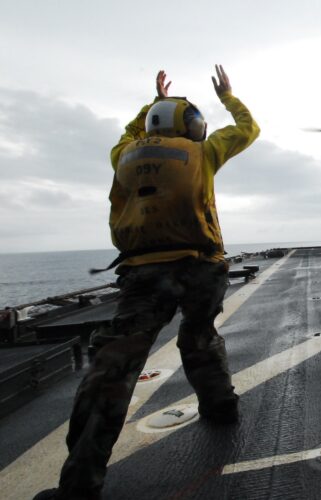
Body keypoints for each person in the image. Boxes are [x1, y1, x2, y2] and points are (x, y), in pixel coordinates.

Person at [35, 65, 260, 500]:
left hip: (143, 274)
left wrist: (151, 102)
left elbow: (130, 132)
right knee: (199, 335)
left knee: (114, 367)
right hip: (201, 266)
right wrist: (229, 95)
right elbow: (248, 128)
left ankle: (79, 484)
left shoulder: (123, 154)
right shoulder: (206, 151)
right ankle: (221, 406)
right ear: (193, 126)